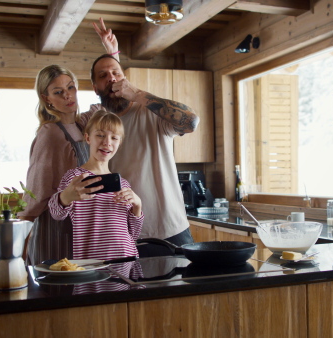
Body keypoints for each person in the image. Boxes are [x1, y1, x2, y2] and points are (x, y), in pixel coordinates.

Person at [19, 19, 120, 265]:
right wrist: (23, 235)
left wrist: (113, 54)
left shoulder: (82, 124)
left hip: (81, 223)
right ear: (46, 99)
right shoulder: (50, 133)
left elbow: (109, 98)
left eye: (71, 87)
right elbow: (38, 189)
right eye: (58, 91)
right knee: (59, 293)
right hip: (56, 225)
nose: (67, 95)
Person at [88, 43, 200, 256]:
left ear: (124, 79)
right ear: (95, 87)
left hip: (171, 232)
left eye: (116, 73)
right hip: (121, 236)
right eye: (103, 75)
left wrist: (138, 94)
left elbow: (191, 122)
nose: (111, 78)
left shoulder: (151, 112)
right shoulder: (96, 122)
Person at [48, 110, 143, 260]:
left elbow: (133, 234)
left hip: (127, 261)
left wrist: (138, 206)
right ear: (87, 138)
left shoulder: (123, 184)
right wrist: (65, 197)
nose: (107, 142)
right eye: (100, 135)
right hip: (91, 265)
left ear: (120, 143)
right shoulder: (75, 178)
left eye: (114, 138)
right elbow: (56, 214)